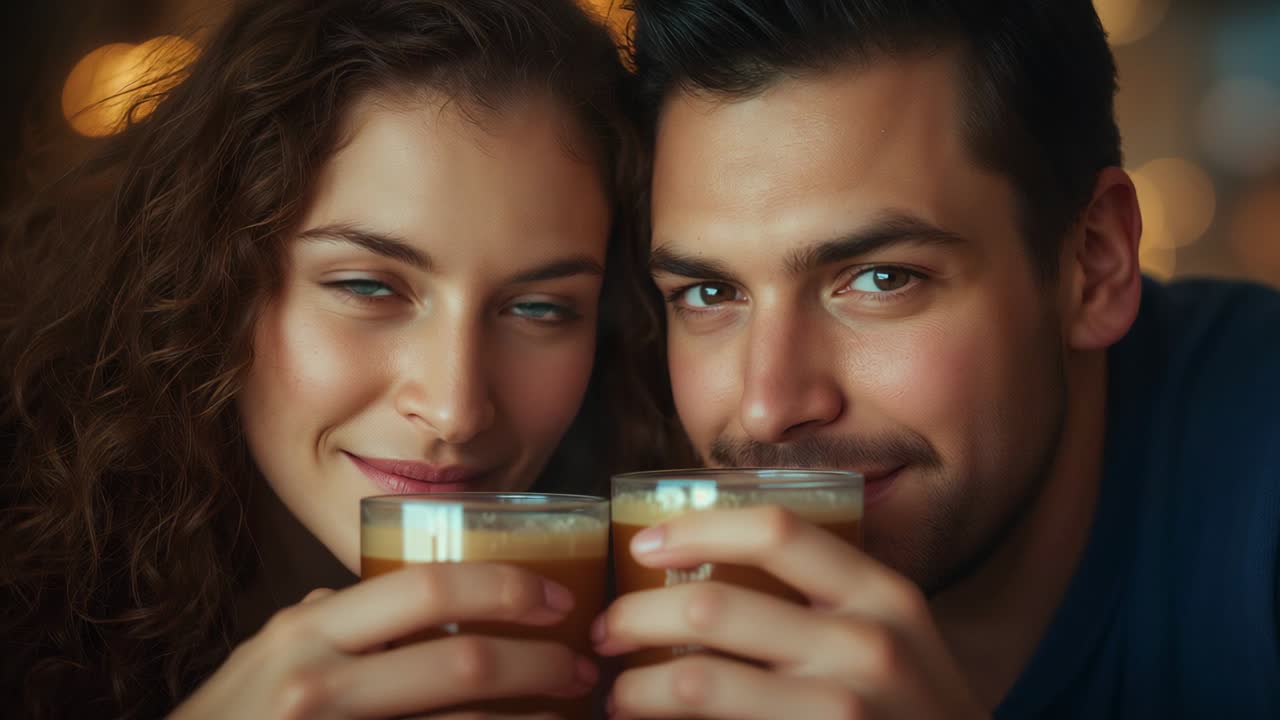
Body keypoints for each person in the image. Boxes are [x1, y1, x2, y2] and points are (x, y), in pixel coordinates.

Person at [593, 1, 1280, 718]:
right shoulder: (604, 519)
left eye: (881, 279)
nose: (768, 407)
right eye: (709, 293)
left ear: (1094, 263)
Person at [0, 0, 676, 717]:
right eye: (367, 287)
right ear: (211, 279)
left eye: (539, 308)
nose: (454, 409)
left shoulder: (654, 634)